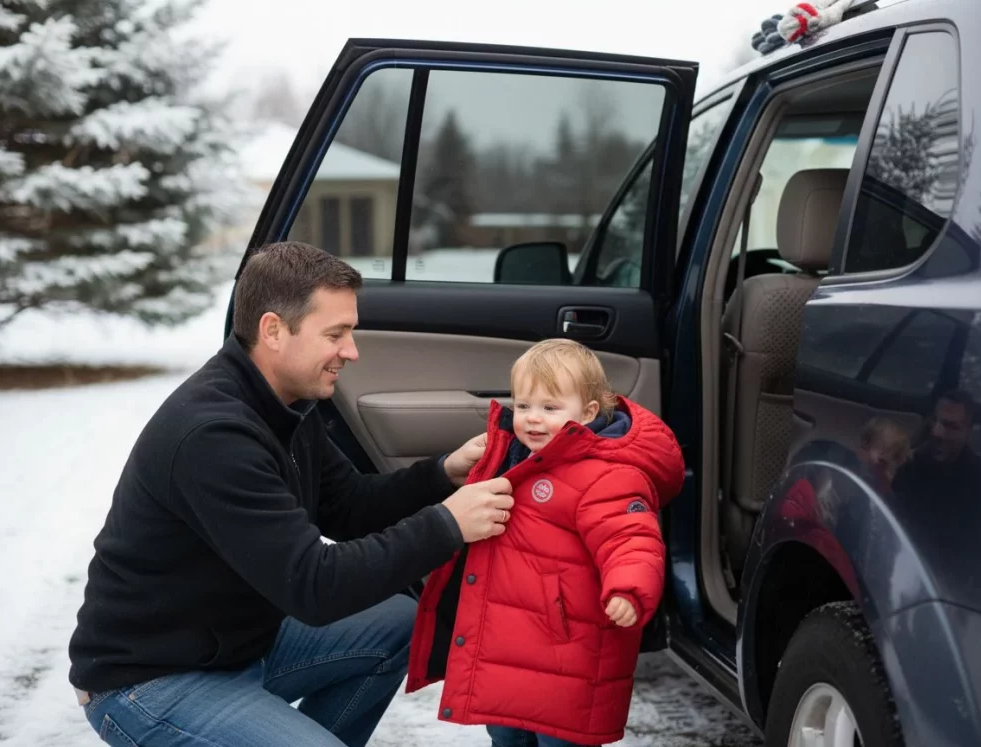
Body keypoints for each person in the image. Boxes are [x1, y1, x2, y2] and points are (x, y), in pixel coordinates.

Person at [67, 241, 514, 747]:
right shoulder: (213, 435)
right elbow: (315, 588)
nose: (351, 350)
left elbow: (348, 507)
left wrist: (440, 477)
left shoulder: (286, 404)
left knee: (398, 624)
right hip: (150, 680)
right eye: (335, 334)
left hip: (239, 643)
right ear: (274, 330)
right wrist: (447, 525)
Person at [404, 339, 686, 747]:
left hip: (566, 652)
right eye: (523, 406)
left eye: (550, 408)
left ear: (588, 413)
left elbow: (632, 539)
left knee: (558, 739)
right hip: (505, 646)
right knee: (505, 734)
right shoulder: (514, 457)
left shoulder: (607, 474)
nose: (532, 419)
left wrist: (629, 588)